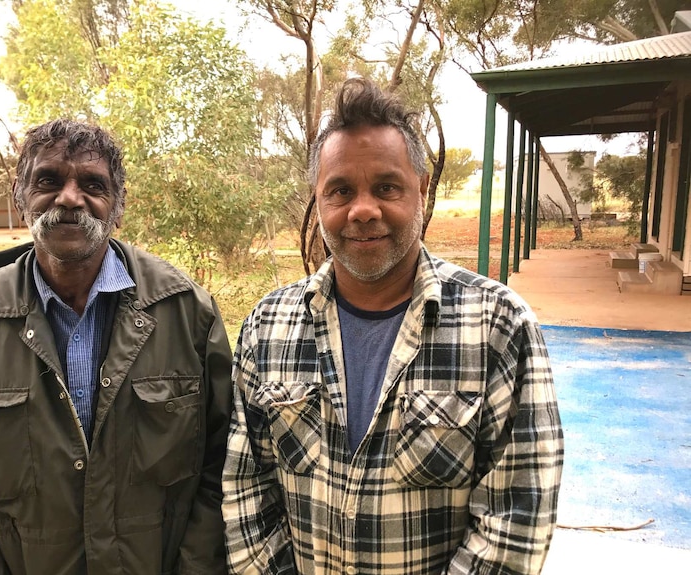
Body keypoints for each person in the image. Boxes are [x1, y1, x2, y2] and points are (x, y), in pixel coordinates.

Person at [222, 77, 564, 575]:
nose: (363, 210)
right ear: (318, 201)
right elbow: (245, 493)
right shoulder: (266, 328)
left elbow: (517, 519)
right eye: (340, 191)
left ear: (421, 191)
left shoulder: (497, 327)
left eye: (386, 187)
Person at [0, 118, 233, 574]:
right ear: (21, 196)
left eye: (92, 184)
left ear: (118, 205)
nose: (70, 198)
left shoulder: (188, 312)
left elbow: (225, 471)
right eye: (49, 180)